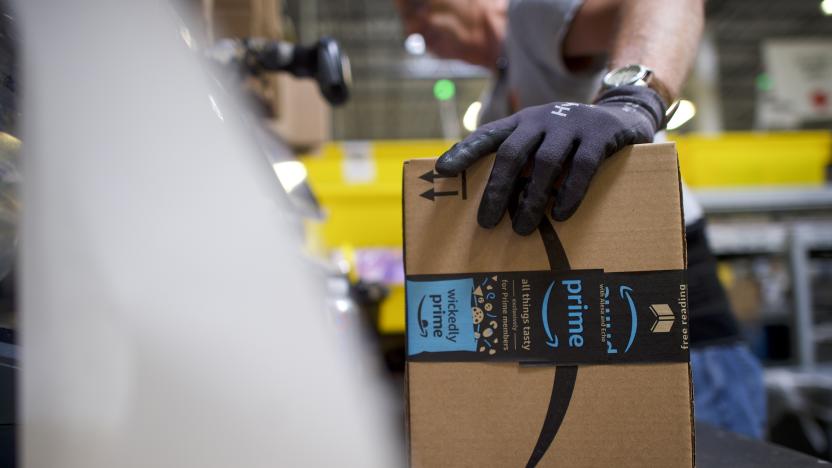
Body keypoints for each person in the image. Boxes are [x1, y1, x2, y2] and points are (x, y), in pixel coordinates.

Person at [395, 0, 766, 439]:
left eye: (419, 8)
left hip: (673, 315)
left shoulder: (532, 16)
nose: (418, 30)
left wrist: (632, 99)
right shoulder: (497, 97)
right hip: (593, 327)